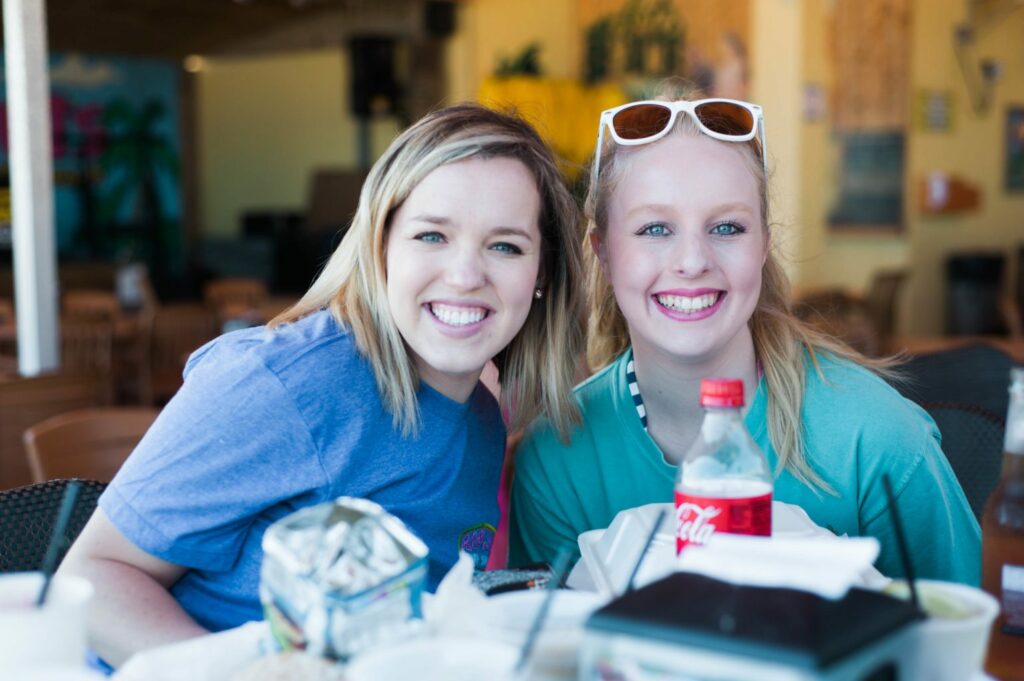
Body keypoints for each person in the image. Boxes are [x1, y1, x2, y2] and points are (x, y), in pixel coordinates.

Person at [58, 104, 585, 667]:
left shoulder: (482, 419)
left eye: (505, 246)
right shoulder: (283, 384)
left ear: (542, 274)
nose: (464, 275)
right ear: (380, 248)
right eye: (432, 235)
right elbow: (92, 579)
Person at [509, 86, 981, 585]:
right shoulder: (557, 459)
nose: (692, 262)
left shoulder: (877, 441)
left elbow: (969, 639)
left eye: (728, 228)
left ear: (763, 246)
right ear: (602, 251)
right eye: (654, 229)